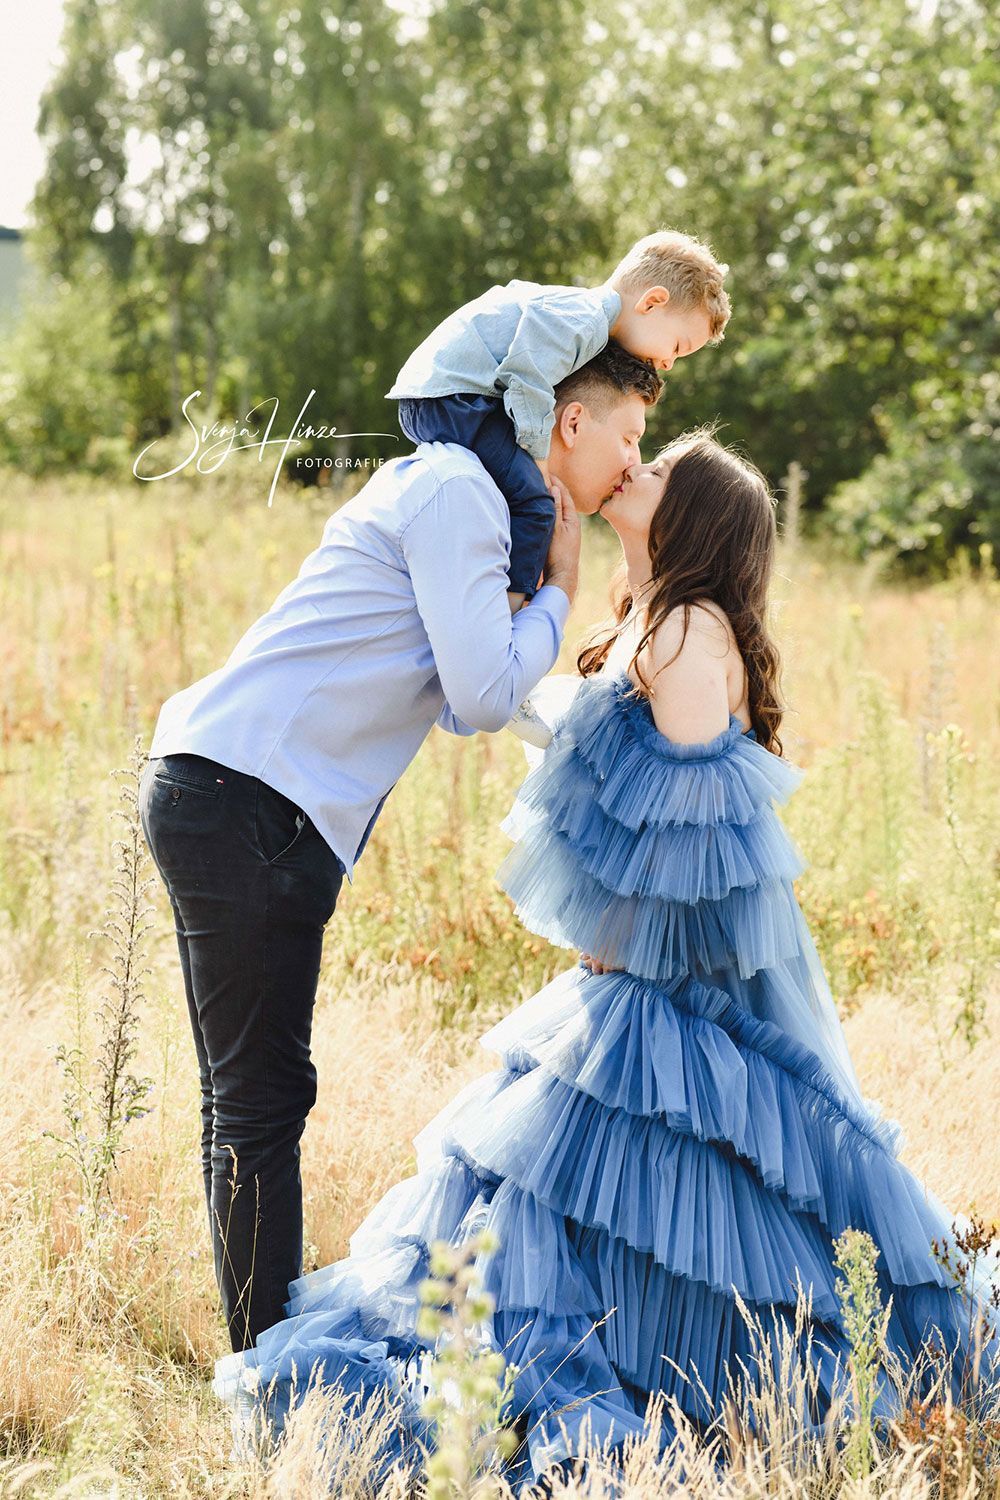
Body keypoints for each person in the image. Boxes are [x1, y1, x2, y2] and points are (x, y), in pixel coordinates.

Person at [212, 430, 1000, 1492]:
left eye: (660, 471)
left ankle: (685, 1391)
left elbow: (697, 839)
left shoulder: (682, 629)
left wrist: (620, 951)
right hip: (626, 973)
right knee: (557, 1204)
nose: (635, 469)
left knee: (604, 1195)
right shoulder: (650, 617)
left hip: (660, 983)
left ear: (695, 520)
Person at [137, 344, 662, 1362]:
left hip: (251, 800)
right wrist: (559, 590)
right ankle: (268, 1378)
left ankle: (263, 1355)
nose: (631, 460)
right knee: (258, 1098)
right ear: (569, 424)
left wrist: (641, 735)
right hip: (242, 796)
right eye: (628, 436)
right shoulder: (458, 490)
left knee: (255, 1095)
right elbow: (478, 697)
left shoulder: (472, 501)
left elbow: (495, 694)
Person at [387, 228, 730, 614]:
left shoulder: (579, 314)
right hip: (452, 399)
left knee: (518, 489)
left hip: (446, 395)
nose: (668, 363)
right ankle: (513, 607)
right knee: (536, 502)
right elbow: (526, 380)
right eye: (677, 347)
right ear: (652, 302)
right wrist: (540, 464)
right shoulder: (581, 321)